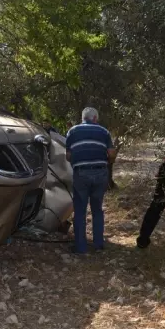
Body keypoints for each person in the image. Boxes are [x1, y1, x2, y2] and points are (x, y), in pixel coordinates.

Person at [65, 107, 117, 253]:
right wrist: (108, 161)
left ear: (83, 118)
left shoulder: (72, 132)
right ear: (95, 118)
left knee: (80, 211)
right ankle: (98, 245)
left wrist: (77, 160)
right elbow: (111, 153)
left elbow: (68, 156)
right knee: (97, 210)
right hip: (100, 173)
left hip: (81, 174)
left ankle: (81, 248)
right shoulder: (104, 131)